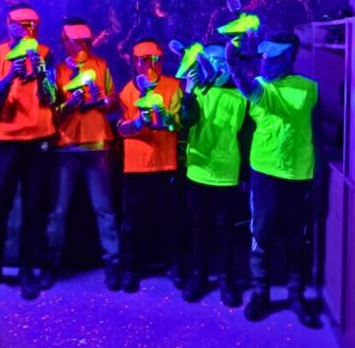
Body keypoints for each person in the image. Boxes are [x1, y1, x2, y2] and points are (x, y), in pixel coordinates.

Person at [226, 31, 323, 327]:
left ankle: (296, 295)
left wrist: (320, 176)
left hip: (298, 174)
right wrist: (236, 69)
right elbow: (250, 90)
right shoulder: (260, 85)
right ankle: (260, 293)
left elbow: (313, 130)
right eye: (265, 57)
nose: (267, 62)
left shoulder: (308, 89)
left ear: (290, 57)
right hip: (265, 173)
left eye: (275, 57)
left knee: (296, 237)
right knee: (261, 234)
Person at [40, 17, 121, 291]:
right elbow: (51, 111)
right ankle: (51, 264)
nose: (82, 45)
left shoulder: (100, 65)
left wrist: (101, 99)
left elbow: (112, 101)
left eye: (85, 41)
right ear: (65, 41)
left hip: (97, 146)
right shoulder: (57, 71)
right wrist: (71, 104)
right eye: (76, 41)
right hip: (66, 147)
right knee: (57, 210)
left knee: (104, 209)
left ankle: (113, 263)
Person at [0, 3, 57, 300]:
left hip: (39, 137)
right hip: (5, 137)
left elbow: (52, 98)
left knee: (34, 206)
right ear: (9, 25)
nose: (28, 29)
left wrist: (40, 76)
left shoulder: (45, 53)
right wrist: (10, 77)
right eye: (22, 24)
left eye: (33, 24)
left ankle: (28, 269)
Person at [179, 43, 247, 306]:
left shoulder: (241, 94)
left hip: (227, 171)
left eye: (219, 61)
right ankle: (199, 275)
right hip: (198, 170)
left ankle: (225, 278)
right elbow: (186, 122)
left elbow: (246, 136)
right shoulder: (198, 90)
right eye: (209, 60)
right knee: (198, 225)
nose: (214, 65)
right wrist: (188, 92)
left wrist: (244, 174)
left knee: (225, 227)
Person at [117, 38, 183, 293]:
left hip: (166, 164)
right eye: (143, 60)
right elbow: (121, 128)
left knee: (171, 219)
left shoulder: (173, 86)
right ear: (134, 62)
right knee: (132, 222)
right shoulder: (127, 91)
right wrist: (137, 123)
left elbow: (178, 124)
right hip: (136, 166)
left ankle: (174, 265)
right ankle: (130, 268)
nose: (149, 65)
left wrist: (165, 121)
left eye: (154, 59)